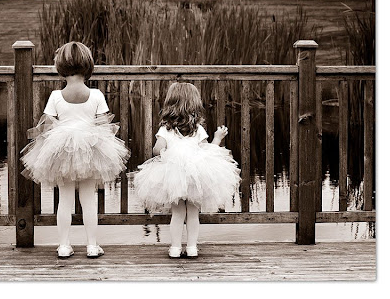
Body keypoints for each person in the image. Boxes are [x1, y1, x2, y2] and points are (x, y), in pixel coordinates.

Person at [20, 42, 130, 258]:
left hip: (62, 150)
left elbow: (47, 126)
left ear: (61, 66)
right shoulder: (96, 95)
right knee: (89, 200)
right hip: (90, 149)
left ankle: (63, 245)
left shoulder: (56, 96)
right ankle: (92, 245)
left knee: (65, 200)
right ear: (87, 65)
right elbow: (104, 126)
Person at [134, 82, 241, 258]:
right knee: (193, 213)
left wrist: (168, 152)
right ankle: (192, 248)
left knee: (177, 214)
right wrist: (217, 138)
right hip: (196, 177)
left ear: (170, 104)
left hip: (173, 176)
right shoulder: (198, 129)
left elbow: (156, 150)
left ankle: (175, 248)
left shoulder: (166, 129)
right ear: (194, 104)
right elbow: (207, 152)